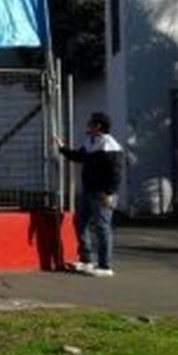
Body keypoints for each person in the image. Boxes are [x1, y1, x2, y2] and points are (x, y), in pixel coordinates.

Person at [57, 111, 125, 277]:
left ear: (98, 126)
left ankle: (105, 266)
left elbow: (116, 172)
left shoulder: (110, 145)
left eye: (91, 123)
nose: (87, 126)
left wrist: (110, 193)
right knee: (80, 223)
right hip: (88, 191)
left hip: (102, 193)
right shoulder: (91, 142)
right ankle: (86, 260)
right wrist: (62, 148)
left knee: (102, 227)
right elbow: (79, 157)